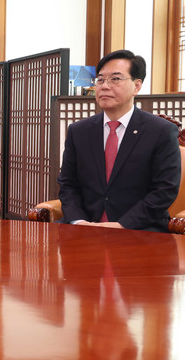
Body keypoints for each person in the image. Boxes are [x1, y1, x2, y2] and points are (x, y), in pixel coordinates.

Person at [58, 50, 181, 232]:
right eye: (100, 80)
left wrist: (122, 225)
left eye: (115, 79)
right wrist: (79, 222)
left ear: (136, 86)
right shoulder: (79, 131)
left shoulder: (161, 131)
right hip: (85, 227)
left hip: (139, 229)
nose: (104, 86)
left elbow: (164, 190)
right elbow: (68, 184)